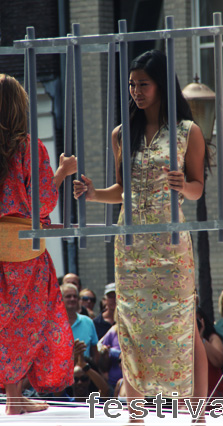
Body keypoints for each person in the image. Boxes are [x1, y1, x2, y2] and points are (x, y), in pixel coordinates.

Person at [74, 49, 207, 423]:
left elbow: (198, 187)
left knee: (184, 322)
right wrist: (94, 192)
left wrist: (184, 185)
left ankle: (195, 411)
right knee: (130, 325)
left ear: (161, 85)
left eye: (143, 84)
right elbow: (123, 190)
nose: (136, 91)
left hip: (171, 243)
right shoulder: (122, 133)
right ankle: (134, 414)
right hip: (131, 246)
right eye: (132, 85)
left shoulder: (187, 131)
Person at [0, 74, 76, 415]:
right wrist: (61, 173)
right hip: (25, 250)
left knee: (5, 322)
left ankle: (14, 396)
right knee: (30, 321)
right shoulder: (30, 147)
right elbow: (43, 202)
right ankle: (17, 398)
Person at [61, 283, 99, 365]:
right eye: (68, 296)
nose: (72, 299)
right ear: (60, 299)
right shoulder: (53, 324)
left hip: (85, 373)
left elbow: (95, 353)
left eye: (75, 296)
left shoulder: (88, 322)